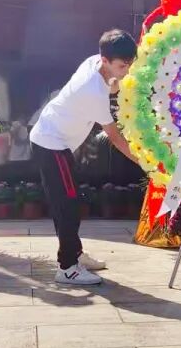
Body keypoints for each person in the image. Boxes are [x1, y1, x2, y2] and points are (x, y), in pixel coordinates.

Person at [30, 29, 139, 285]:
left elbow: (112, 84)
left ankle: (75, 254)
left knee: (68, 202)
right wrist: (144, 163)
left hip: (57, 141)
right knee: (67, 206)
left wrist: (118, 80)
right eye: (122, 66)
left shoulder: (94, 61)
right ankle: (68, 268)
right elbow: (115, 138)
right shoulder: (92, 91)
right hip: (51, 144)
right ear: (105, 60)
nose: (126, 71)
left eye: (129, 65)